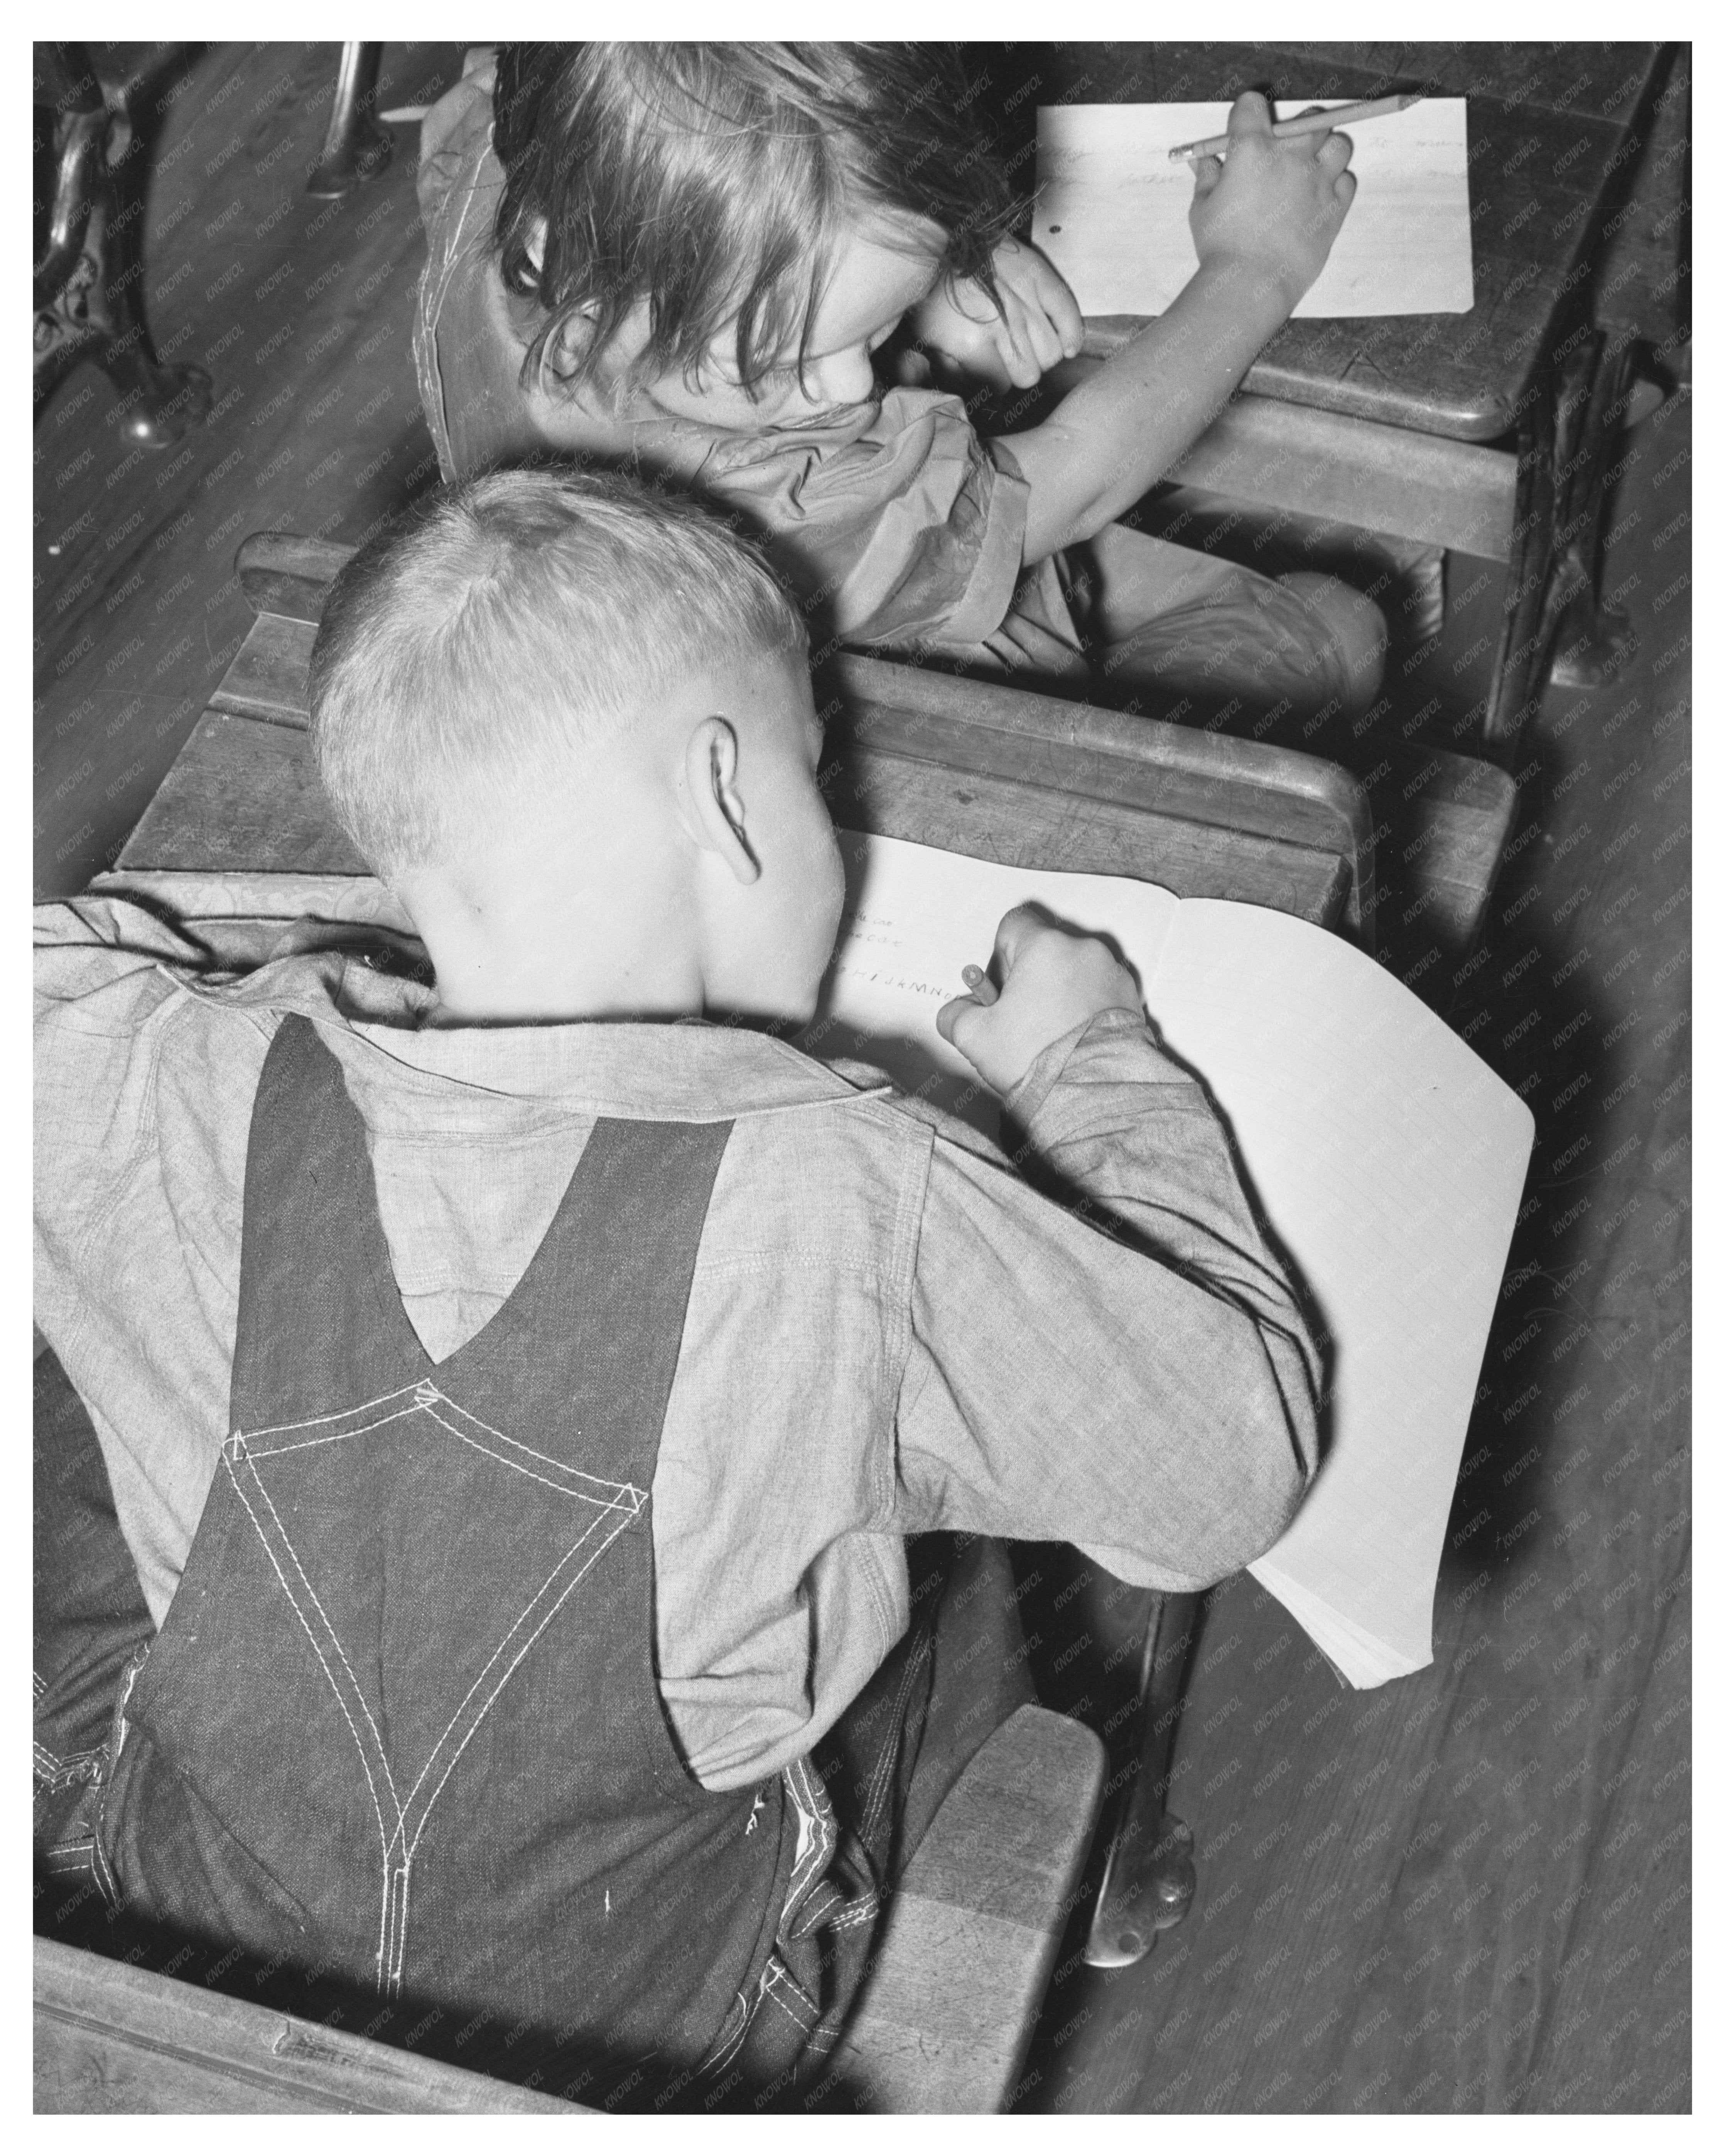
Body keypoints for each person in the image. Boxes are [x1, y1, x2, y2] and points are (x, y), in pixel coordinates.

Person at [33, 469, 1320, 2108]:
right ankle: (1080, 1868)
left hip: (166, 1933)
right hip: (664, 2032)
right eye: (815, 770)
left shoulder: (153, 1071)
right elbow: (1229, 1477)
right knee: (947, 1555)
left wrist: (335, 959)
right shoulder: (856, 1190)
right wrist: (1095, 1060)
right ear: (724, 794)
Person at [413, 43, 1386, 732]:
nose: (850, 384)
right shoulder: (796, 510)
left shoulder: (514, 167)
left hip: (705, 637)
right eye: (773, 359)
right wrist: (1256, 266)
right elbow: (1077, 479)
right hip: (938, 716)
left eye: (869, 330)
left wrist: (943, 238)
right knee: (1338, 623)